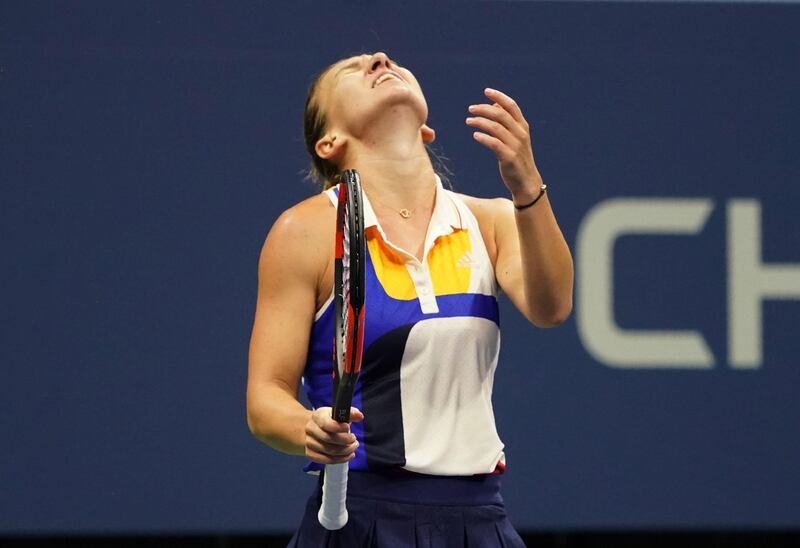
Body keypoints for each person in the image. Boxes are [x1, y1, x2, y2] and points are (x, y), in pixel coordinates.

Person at [247, 51, 573, 547]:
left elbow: (552, 308)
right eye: (352, 70)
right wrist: (308, 429)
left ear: (425, 131)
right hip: (358, 518)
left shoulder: (491, 221)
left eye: (384, 60)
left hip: (479, 519)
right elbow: (264, 399)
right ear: (328, 141)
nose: (380, 59)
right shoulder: (304, 232)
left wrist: (527, 184)